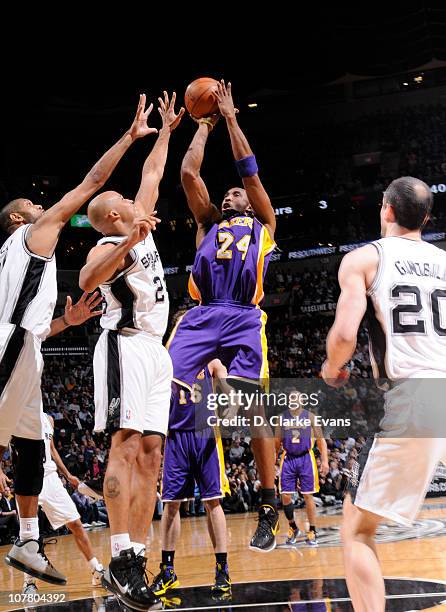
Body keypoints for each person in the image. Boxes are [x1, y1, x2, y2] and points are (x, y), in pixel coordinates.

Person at [0, 97, 146, 584]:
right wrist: (128, 138)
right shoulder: (32, 234)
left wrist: (67, 323)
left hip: (27, 347)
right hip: (12, 343)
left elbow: (33, 323)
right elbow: (92, 184)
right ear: (21, 220)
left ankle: (26, 540)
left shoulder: (15, 258)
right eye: (33, 207)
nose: (43, 208)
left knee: (28, 447)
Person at [79, 91, 184, 610]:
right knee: (124, 446)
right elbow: (84, 279)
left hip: (155, 352)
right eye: (124, 199)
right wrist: (125, 242)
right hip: (123, 347)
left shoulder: (138, 221)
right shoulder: (108, 244)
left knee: (152, 454)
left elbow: (153, 174)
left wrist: (164, 130)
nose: (134, 198)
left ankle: (135, 558)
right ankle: (118, 553)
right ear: (113, 213)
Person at [322, 176, 446, 611]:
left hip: (413, 395)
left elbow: (343, 336)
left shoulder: (364, 259)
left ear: (386, 210)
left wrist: (330, 368)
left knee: (356, 528)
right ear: (426, 218)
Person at [168, 80, 278, 552]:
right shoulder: (208, 224)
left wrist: (231, 118)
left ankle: (269, 503)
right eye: (228, 193)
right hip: (200, 315)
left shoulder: (265, 223)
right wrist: (204, 125)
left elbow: (250, 171)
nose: (232, 195)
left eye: (237, 194)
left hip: (243, 317)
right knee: (163, 394)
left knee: (255, 410)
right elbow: (189, 175)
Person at [151, 359, 231, 597]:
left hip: (204, 433)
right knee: (171, 505)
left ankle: (222, 570)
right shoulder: (166, 358)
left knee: (212, 502)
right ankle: (167, 571)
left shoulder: (213, 363)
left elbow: (228, 387)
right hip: (176, 435)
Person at [22, 413, 104, 594]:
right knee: (30, 532)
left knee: (75, 522)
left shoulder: (48, 419)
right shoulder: (18, 412)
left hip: (50, 477)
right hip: (27, 477)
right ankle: (29, 582)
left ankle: (96, 570)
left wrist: (68, 475)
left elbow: (51, 448)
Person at [274, 392, 328, 547]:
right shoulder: (281, 418)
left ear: (302, 401)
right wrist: (272, 464)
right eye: (290, 398)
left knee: (308, 496)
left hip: (306, 458)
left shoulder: (310, 417)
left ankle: (312, 530)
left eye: (295, 398)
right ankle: (293, 527)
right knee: (285, 496)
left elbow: (321, 441)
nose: (293, 401)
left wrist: (324, 460)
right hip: (288, 458)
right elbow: (276, 444)